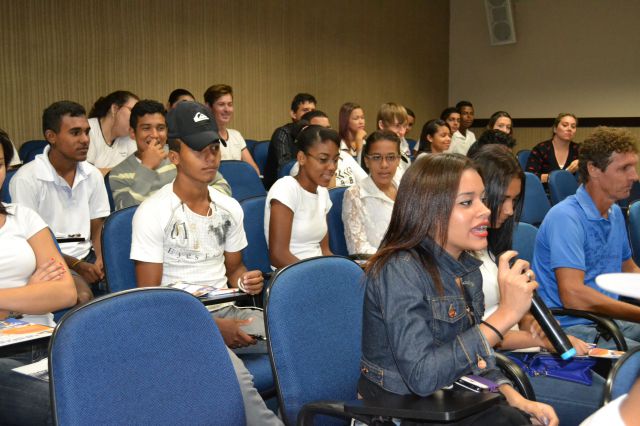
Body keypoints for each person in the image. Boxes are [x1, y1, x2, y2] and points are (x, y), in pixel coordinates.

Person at [360, 153, 557, 426]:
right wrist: (506, 315)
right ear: (429, 210)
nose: (485, 210)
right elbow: (422, 377)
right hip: (401, 410)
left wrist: (514, 398)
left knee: (516, 418)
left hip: (451, 398)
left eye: (483, 199)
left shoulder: (466, 269)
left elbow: (476, 360)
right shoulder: (399, 270)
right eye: (467, 202)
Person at [130, 101, 282, 426]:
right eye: (199, 151)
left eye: (214, 148)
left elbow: (234, 269)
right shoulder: (153, 213)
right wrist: (211, 327)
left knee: (296, 339)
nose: (210, 157)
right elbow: (149, 303)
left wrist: (244, 281)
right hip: (177, 322)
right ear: (174, 156)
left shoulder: (229, 208)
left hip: (227, 310)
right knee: (236, 378)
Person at [471, 145, 605, 425]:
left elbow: (524, 315)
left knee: (613, 386)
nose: (510, 210)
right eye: (502, 199)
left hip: (521, 354)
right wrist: (543, 341)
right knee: (609, 401)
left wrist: (540, 332)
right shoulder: (459, 254)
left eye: (515, 200)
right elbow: (478, 337)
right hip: (495, 366)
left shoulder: (493, 246)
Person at [533, 126, 640, 348]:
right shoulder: (566, 217)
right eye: (624, 168)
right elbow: (573, 296)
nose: (635, 176)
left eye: (634, 167)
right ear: (594, 169)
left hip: (605, 322)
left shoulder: (614, 212)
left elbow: (629, 269)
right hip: (571, 329)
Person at [0, 126, 77, 425]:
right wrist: (28, 293)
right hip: (3, 359)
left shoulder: (23, 216)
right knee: (67, 406)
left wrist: (7, 306)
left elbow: (65, 293)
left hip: (48, 341)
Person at [10, 101, 110, 297]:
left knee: (126, 284)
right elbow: (30, 243)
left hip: (87, 254)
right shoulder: (26, 179)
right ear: (51, 136)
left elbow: (97, 226)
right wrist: (77, 265)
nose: (85, 140)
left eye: (87, 132)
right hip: (47, 260)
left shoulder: (93, 174)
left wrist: (101, 258)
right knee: (82, 297)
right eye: (75, 133)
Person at [110, 99, 231, 210]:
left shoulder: (180, 155)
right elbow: (124, 215)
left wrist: (194, 207)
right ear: (132, 133)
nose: (155, 135)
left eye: (160, 128)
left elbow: (222, 186)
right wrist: (146, 167)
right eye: (146, 128)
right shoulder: (119, 173)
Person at [265, 125, 338, 269]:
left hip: (318, 270)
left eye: (335, 160)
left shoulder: (322, 192)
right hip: (291, 274)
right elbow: (278, 256)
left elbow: (325, 250)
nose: (332, 167)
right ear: (301, 158)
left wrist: (336, 271)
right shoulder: (286, 188)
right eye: (323, 159)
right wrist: (315, 276)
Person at [342, 130, 400, 256]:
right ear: (367, 161)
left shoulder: (405, 189)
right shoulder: (355, 195)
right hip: (379, 263)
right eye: (376, 157)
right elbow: (358, 250)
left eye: (390, 157)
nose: (384, 165)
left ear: (398, 160)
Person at [291, 110, 366, 188]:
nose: (332, 167)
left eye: (328, 128)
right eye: (323, 159)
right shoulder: (301, 167)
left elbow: (366, 183)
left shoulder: (344, 155)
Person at [203, 84, 260, 175]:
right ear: (208, 107)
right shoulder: (202, 137)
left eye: (230, 104)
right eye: (221, 104)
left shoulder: (236, 135)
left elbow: (254, 171)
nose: (227, 110)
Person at [263, 93, 317, 189]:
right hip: (280, 188)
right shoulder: (283, 133)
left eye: (313, 111)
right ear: (293, 114)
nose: (310, 114)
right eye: (305, 110)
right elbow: (286, 168)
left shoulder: (314, 134)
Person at [86, 90, 139, 175]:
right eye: (132, 111)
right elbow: (87, 174)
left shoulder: (129, 137)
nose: (136, 119)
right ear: (114, 109)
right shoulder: (87, 130)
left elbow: (137, 171)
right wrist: (124, 170)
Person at [526, 113, 580, 184]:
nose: (569, 129)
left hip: (573, 190)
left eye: (573, 126)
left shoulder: (579, 150)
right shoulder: (541, 149)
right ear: (555, 129)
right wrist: (565, 174)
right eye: (565, 125)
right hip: (546, 190)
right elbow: (530, 177)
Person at [376, 102, 411, 175]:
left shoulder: (403, 143)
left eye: (404, 126)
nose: (402, 132)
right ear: (382, 125)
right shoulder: (374, 149)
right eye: (397, 126)